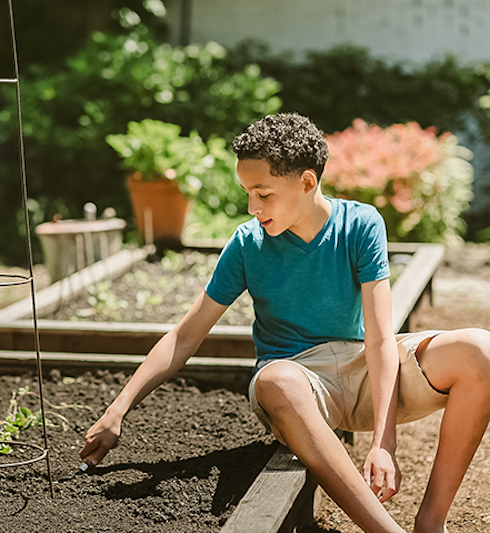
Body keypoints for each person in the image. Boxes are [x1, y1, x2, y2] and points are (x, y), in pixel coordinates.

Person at [80, 112, 490, 533]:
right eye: (247, 193)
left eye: (263, 193)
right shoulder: (246, 244)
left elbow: (382, 339)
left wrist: (384, 443)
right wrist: (118, 409)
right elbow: (185, 336)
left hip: (358, 367)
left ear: (307, 183)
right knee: (278, 381)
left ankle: (431, 522)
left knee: (481, 350)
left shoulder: (361, 224)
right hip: (297, 384)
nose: (252, 207)